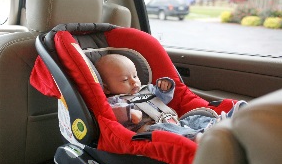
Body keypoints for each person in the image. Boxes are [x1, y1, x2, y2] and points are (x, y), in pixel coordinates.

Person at [95, 54, 247, 143]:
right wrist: (128, 113)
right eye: (124, 80)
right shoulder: (114, 100)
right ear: (106, 87)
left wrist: (164, 88)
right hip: (149, 131)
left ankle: (221, 122)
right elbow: (110, 114)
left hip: (175, 121)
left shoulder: (146, 89)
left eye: (134, 76)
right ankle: (200, 136)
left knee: (196, 117)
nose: (134, 81)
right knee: (166, 130)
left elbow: (163, 99)